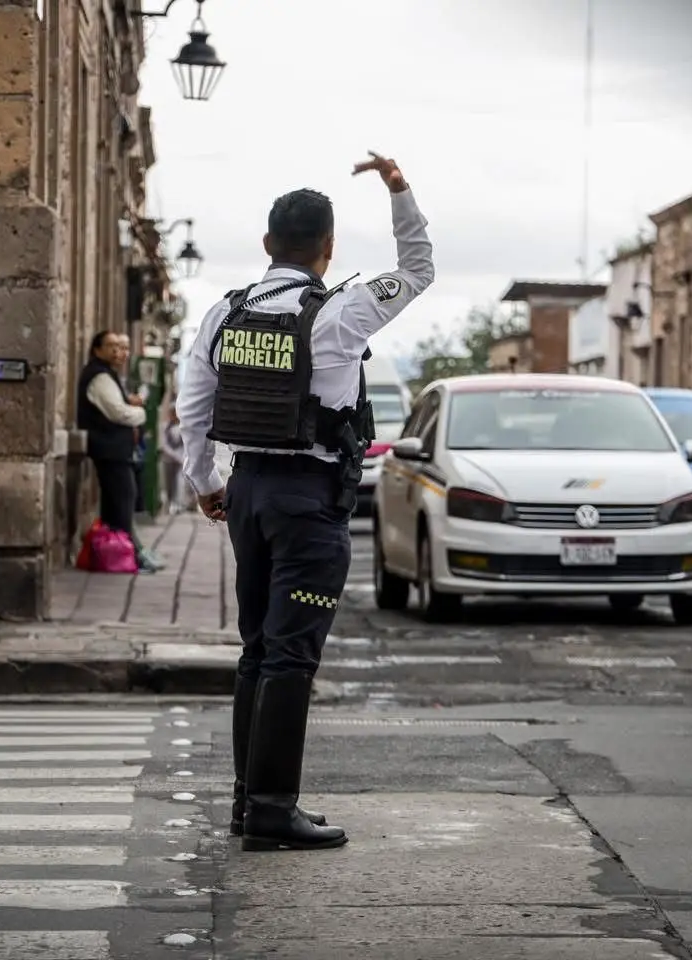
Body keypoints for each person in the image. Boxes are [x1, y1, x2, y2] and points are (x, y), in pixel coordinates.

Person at [177, 151, 435, 852]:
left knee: (257, 649)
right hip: (309, 501)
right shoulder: (344, 311)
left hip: (248, 492)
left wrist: (206, 485)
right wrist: (399, 190)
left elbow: (193, 410)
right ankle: (271, 809)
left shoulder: (225, 313)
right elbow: (417, 269)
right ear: (329, 248)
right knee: (291, 655)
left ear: (268, 243)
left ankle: (247, 802)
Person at [76, 331, 164, 572]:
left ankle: (118, 552)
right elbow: (118, 412)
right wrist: (141, 413)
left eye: (120, 346)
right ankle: (128, 554)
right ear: (97, 350)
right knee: (122, 501)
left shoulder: (107, 374)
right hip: (110, 450)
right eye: (111, 346)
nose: (117, 351)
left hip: (114, 450)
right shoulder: (100, 376)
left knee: (119, 501)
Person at [161, 406, 191, 514]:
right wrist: (175, 456)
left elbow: (187, 444)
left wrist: (182, 457)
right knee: (168, 483)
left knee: (180, 482)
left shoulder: (184, 427)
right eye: (172, 413)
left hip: (181, 460)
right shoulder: (165, 427)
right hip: (169, 459)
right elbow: (164, 445)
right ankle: (169, 503)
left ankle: (179, 504)